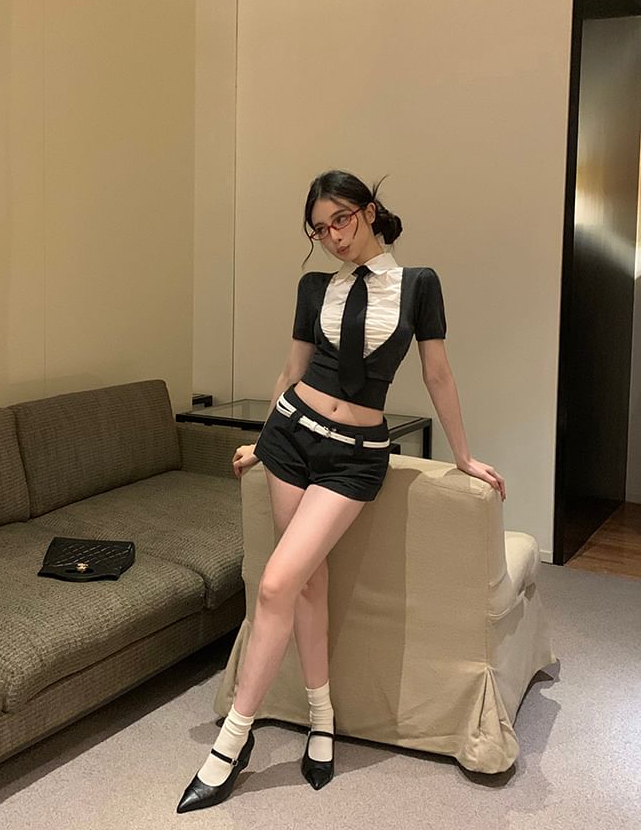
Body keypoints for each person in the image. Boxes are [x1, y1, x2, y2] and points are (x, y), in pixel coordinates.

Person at [176, 170, 506, 813]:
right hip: (290, 436)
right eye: (320, 230)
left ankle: (231, 743)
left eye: (341, 221)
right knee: (306, 583)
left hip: (354, 457)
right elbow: (291, 370)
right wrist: (262, 440)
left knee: (276, 583)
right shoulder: (313, 288)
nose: (332, 237)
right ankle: (322, 720)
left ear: (369, 211)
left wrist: (463, 455)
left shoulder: (419, 285)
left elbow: (437, 373)